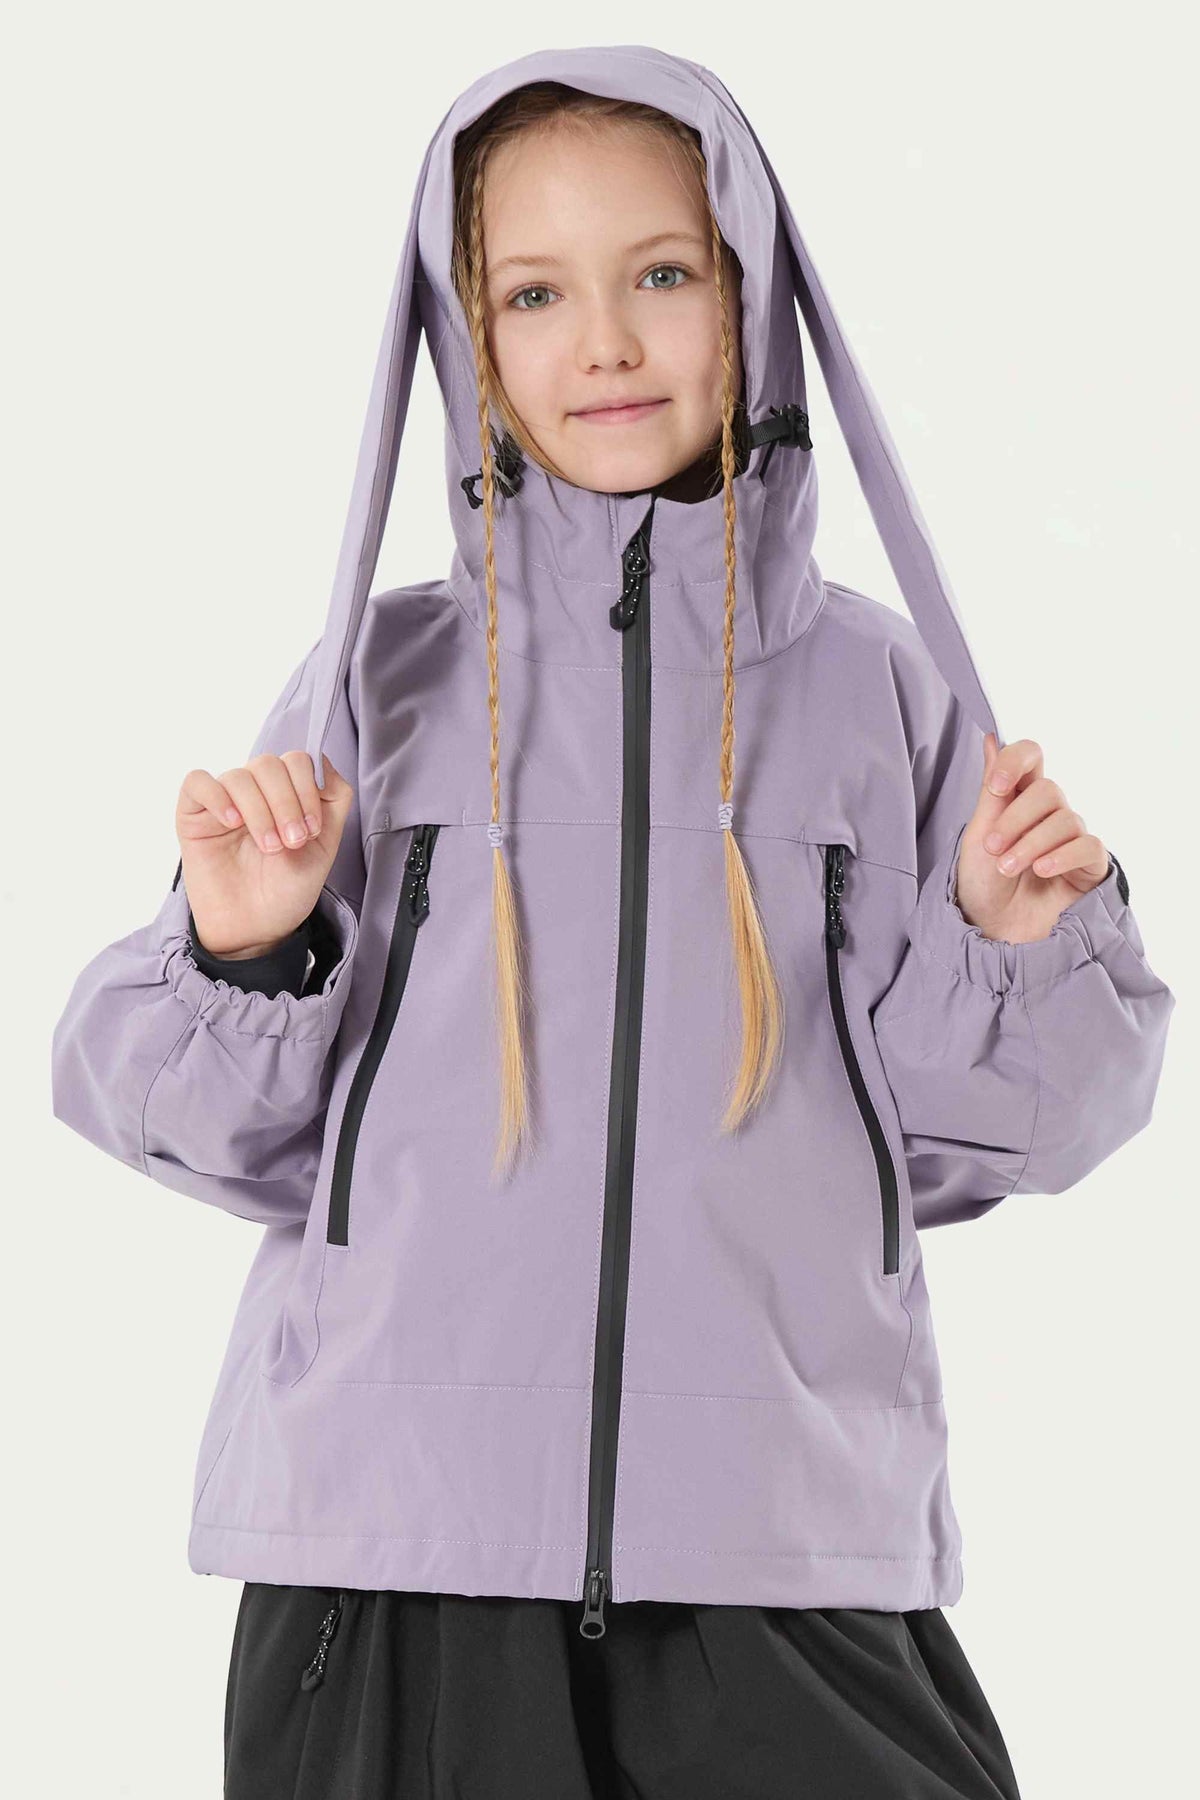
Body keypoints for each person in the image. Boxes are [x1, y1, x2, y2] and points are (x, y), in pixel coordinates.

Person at [50, 46, 1176, 1800]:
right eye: (533, 292)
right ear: (464, 335)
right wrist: (252, 946)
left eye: (663, 272)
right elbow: (209, 1134)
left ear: (752, 295)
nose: (605, 343)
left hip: (783, 1550)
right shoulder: (379, 688)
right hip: (396, 1560)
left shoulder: (882, 693)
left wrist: (1015, 949)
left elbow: (995, 1147)